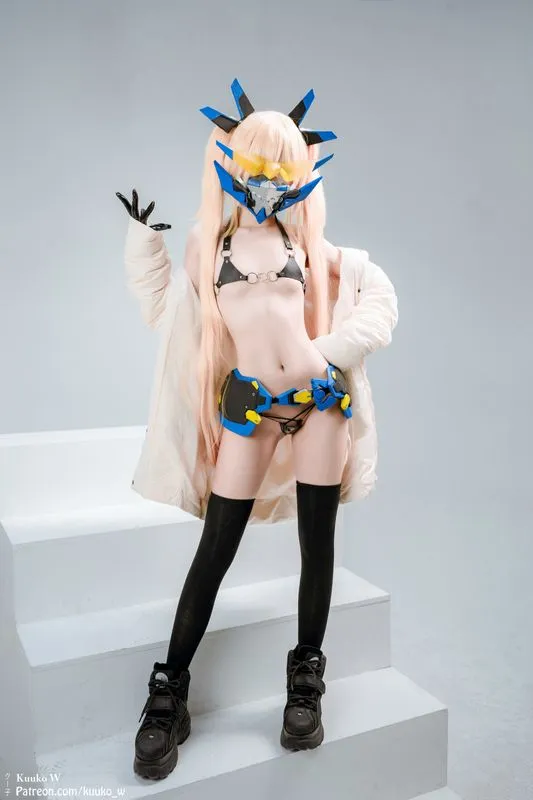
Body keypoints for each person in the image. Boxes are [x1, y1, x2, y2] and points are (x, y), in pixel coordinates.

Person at [116, 79, 398, 781]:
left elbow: (378, 298)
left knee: (317, 546)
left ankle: (305, 681)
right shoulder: (207, 246)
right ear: (230, 165)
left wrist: (333, 351)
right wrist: (144, 246)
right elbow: (165, 313)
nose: (266, 179)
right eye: (255, 164)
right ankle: (169, 694)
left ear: (299, 172)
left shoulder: (309, 245)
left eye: (280, 166)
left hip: (317, 404)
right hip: (247, 407)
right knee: (214, 550)